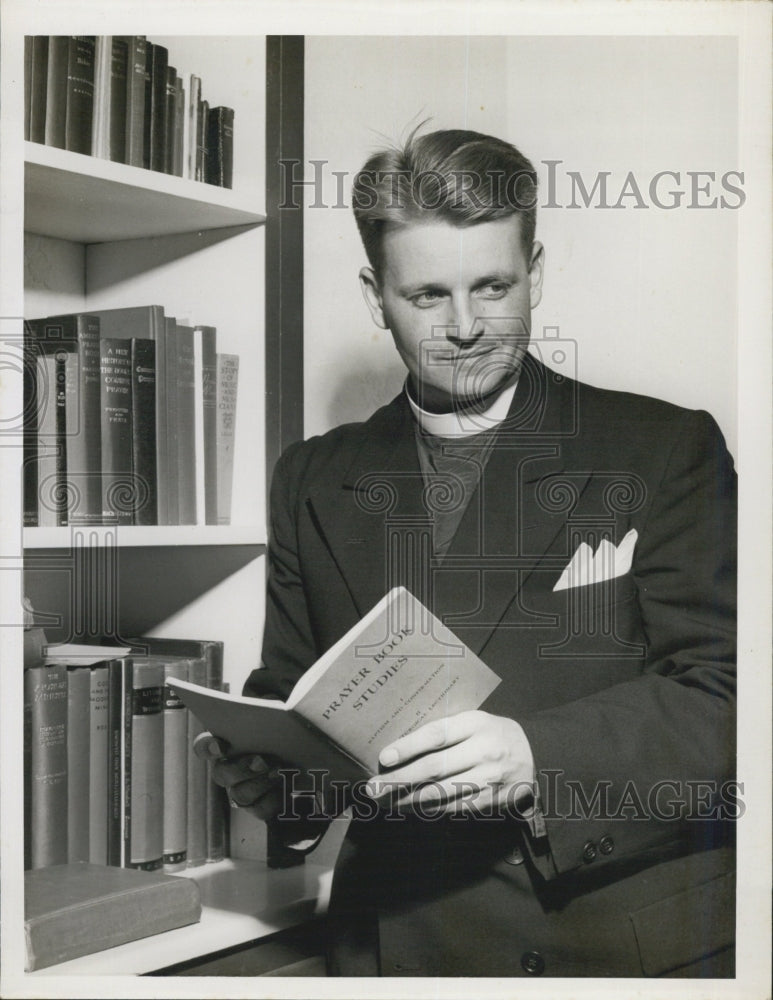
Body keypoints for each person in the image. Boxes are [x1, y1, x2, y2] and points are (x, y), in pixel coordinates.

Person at [199, 128, 737, 977]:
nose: (464, 328)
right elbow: (296, 698)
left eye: (493, 286)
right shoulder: (312, 476)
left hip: (606, 947)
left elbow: (729, 695)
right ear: (376, 296)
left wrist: (536, 758)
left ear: (535, 270)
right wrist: (275, 784)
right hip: (397, 946)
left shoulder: (664, 447)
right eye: (427, 295)